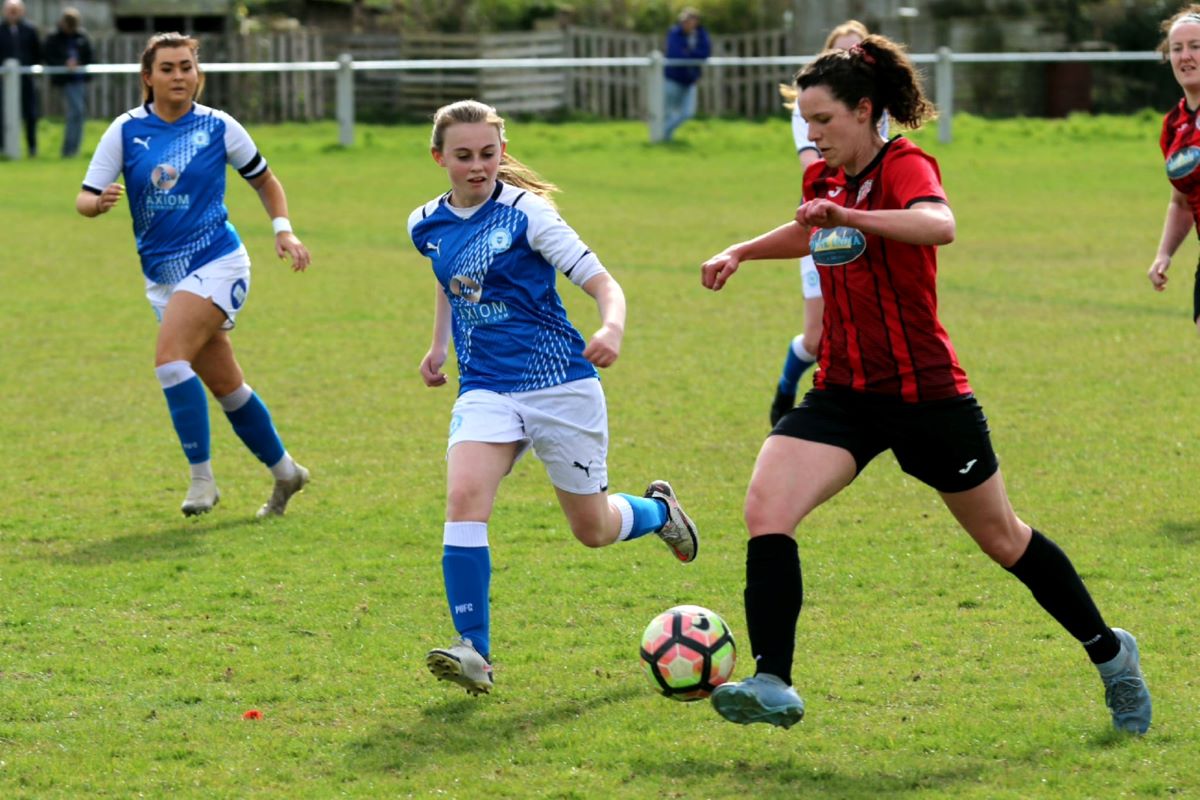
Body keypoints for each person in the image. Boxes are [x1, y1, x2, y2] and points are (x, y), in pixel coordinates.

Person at [700, 35, 1152, 734]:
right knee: (767, 507)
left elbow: (938, 224)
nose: (812, 134)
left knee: (1004, 539)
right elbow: (811, 230)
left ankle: (1110, 653)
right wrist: (742, 249)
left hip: (926, 397)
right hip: (844, 394)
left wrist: (850, 217)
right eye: (807, 121)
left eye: (823, 121)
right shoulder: (823, 178)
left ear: (864, 110)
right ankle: (773, 680)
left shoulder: (905, 165)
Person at [410, 99, 699, 695]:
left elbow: (602, 282)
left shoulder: (527, 214)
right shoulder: (423, 223)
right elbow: (450, 280)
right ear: (439, 157)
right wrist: (438, 344)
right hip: (486, 387)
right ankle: (474, 652)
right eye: (462, 156)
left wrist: (611, 327)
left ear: (502, 153)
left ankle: (658, 512)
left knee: (592, 529)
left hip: (561, 386)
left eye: (488, 154)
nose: (477, 167)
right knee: (464, 497)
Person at [74, 33, 312, 519]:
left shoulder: (219, 126)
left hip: (218, 262)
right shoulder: (125, 131)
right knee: (228, 388)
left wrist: (283, 231)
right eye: (168, 68)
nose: (179, 75)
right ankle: (287, 471)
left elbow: (264, 179)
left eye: (187, 66)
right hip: (163, 278)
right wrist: (97, 205)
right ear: (148, 77)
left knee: (169, 360)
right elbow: (83, 196)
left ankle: (202, 480)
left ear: (197, 74)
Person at [770, 20, 889, 426]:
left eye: (860, 53)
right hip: (824, 224)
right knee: (819, 339)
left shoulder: (878, 110)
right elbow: (817, 170)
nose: (854, 59)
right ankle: (788, 386)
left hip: (868, 227)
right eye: (844, 53)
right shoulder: (812, 110)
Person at [1149, 6, 1200, 319]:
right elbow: (1181, 202)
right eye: (1177, 48)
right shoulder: (1173, 126)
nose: (1186, 56)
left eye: (1196, 46)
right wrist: (1164, 253)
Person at [43, 7, 92, 158]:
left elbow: (90, 56)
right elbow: (47, 55)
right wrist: (64, 64)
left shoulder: (82, 37)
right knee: (76, 112)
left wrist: (78, 63)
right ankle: (68, 150)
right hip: (65, 80)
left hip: (79, 79)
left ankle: (73, 149)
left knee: (78, 114)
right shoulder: (54, 37)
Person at [662, 8, 710, 142]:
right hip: (673, 79)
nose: (686, 23)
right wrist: (692, 55)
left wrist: (688, 53)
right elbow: (676, 54)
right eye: (684, 21)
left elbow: (704, 54)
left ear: (696, 22)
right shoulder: (674, 33)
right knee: (668, 112)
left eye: (689, 20)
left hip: (690, 81)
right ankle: (665, 138)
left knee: (687, 113)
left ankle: (661, 133)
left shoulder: (701, 35)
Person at [0, 0, 40, 157]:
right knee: (2, 114)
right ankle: (4, 148)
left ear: (22, 11)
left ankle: (32, 148)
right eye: (10, 10)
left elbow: (37, 53)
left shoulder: (30, 30)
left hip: (26, 79)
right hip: (3, 81)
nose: (13, 13)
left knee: (30, 114)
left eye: (16, 10)